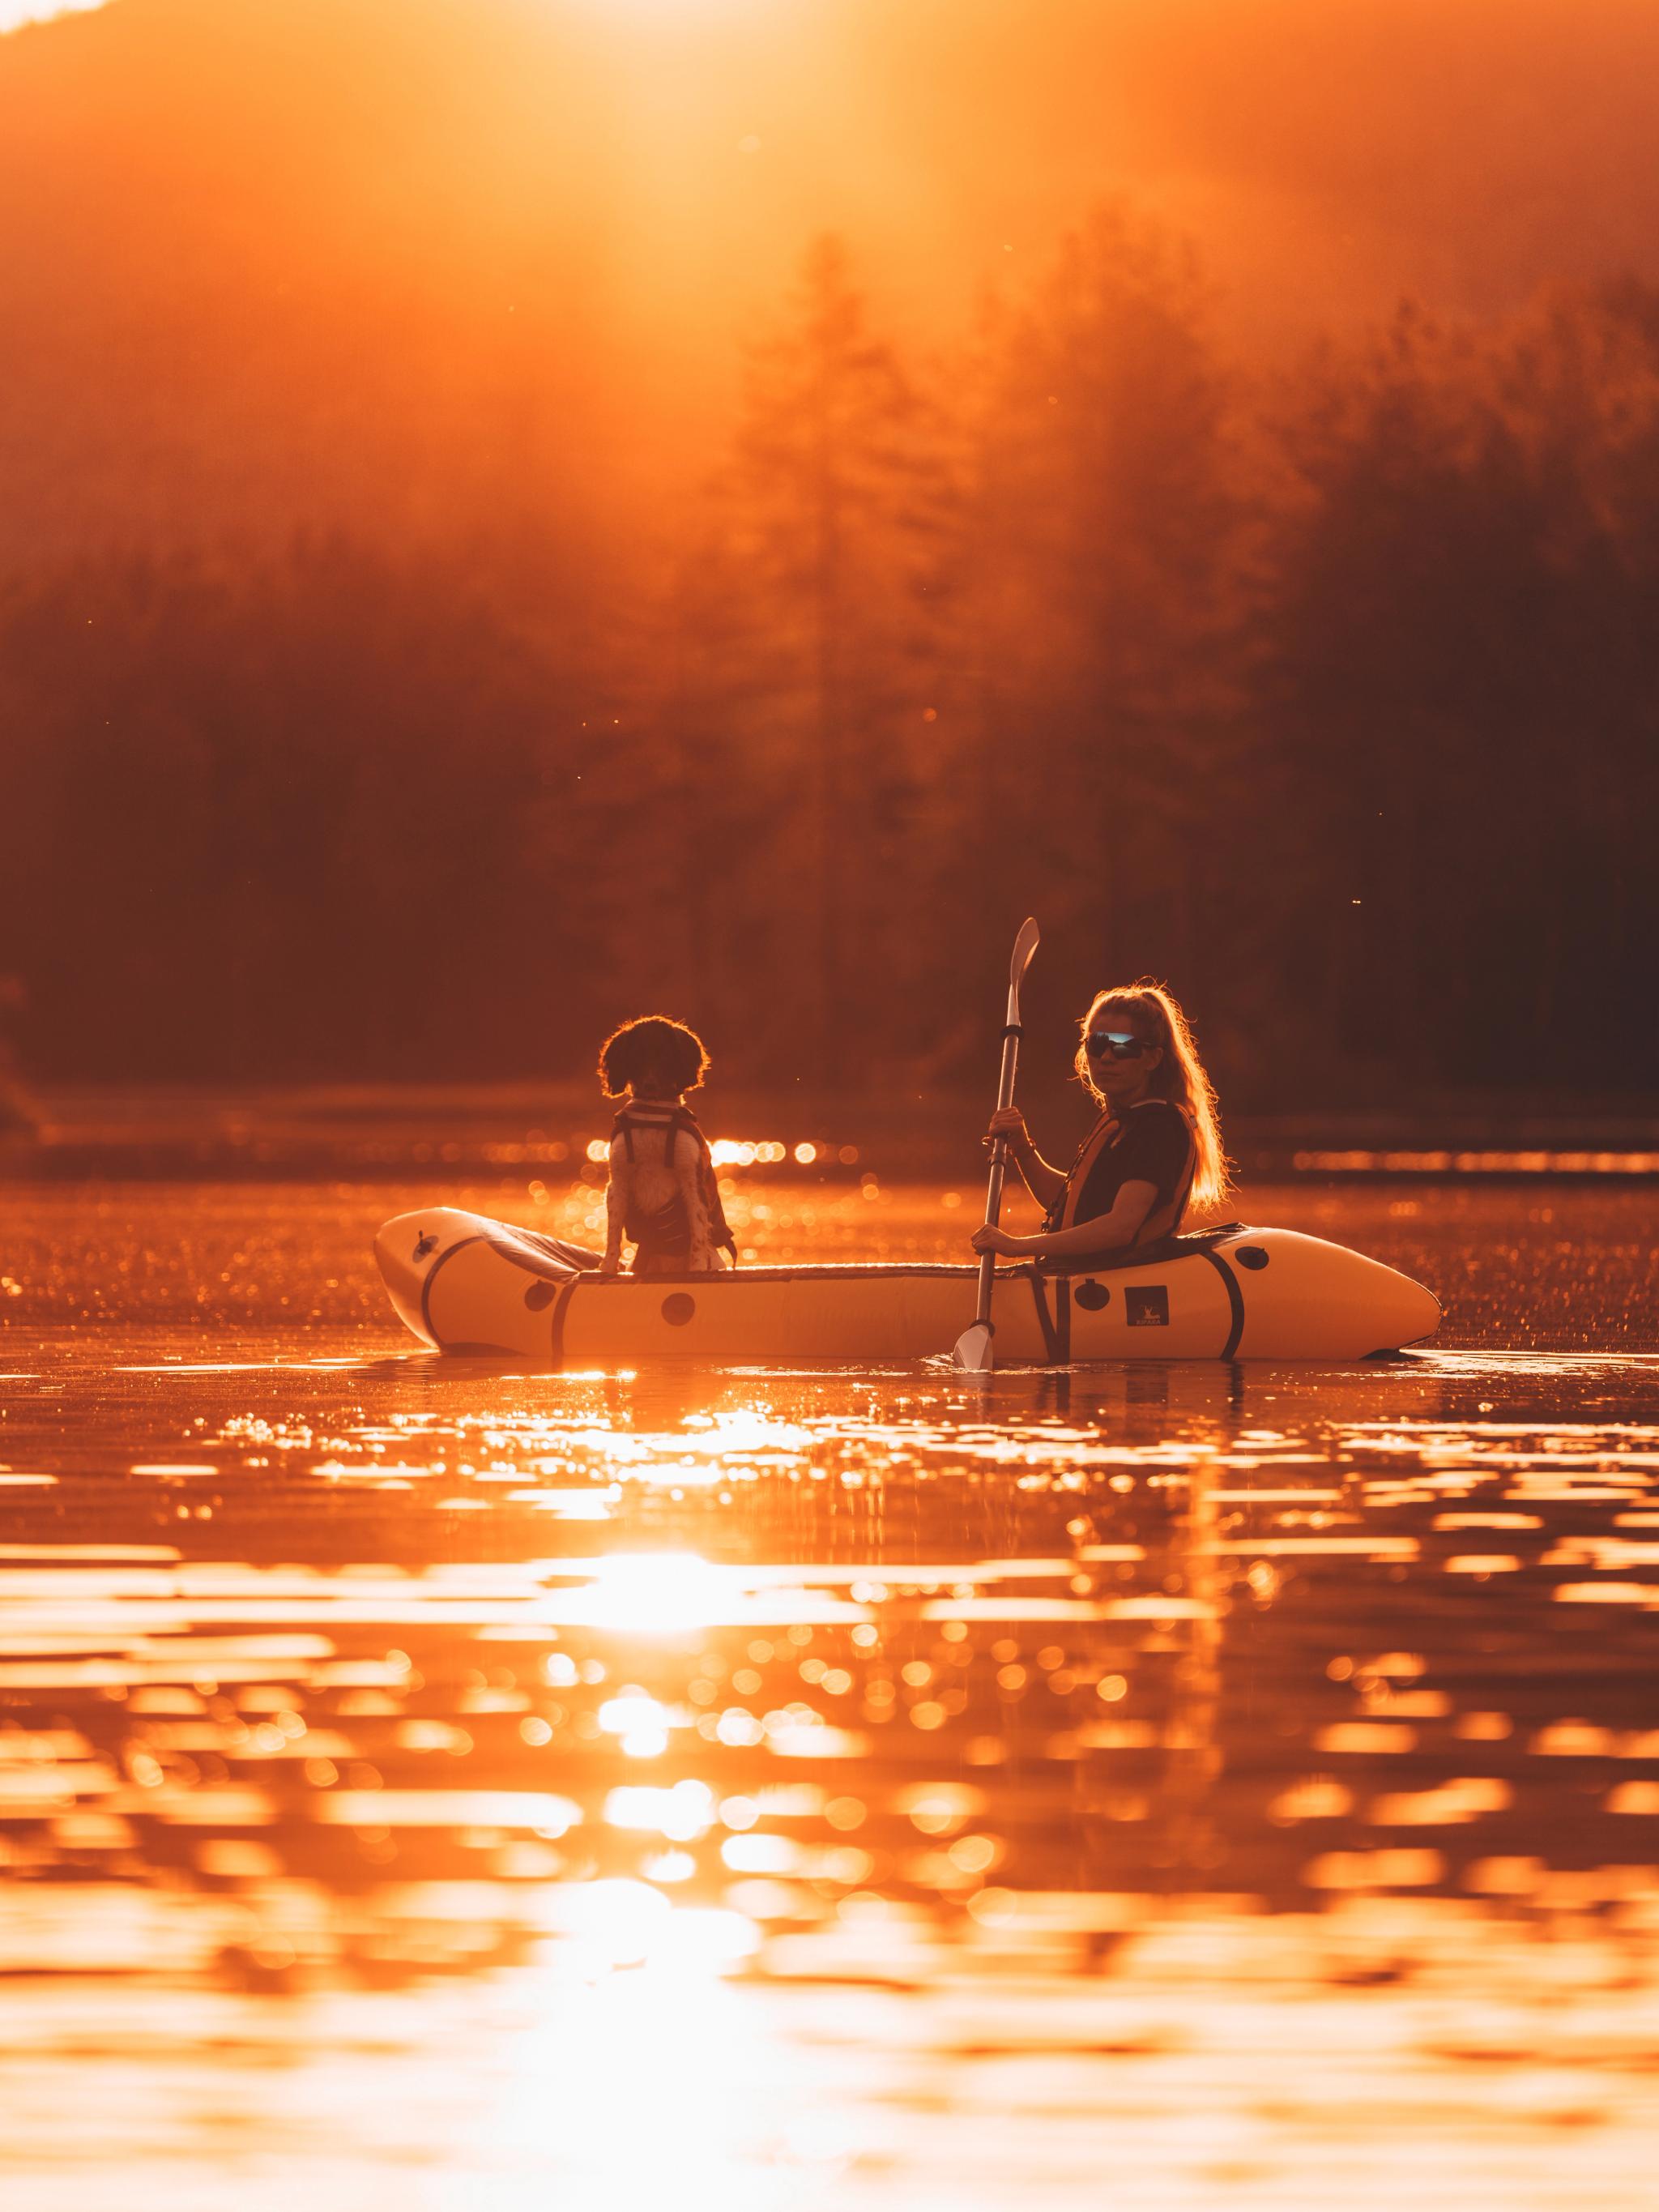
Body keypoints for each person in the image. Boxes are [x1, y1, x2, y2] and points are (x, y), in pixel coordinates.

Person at [970, 981, 1229, 1268]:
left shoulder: (1162, 1127)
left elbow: (1120, 1227)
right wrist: (1021, 1147)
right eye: (1097, 1044)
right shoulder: (1121, 1121)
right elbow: (1067, 1203)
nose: (1106, 1057)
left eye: (1123, 1046)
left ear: (1153, 1058)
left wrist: (1016, 1246)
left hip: (1120, 1279)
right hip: (1080, 1276)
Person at [597, 1015, 737, 1276]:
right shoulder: (627, 1131)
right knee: (618, 1187)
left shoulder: (680, 1132)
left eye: (661, 1062)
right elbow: (617, 1191)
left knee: (690, 1187)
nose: (651, 1077)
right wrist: (610, 1264)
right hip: (648, 1258)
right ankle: (610, 1260)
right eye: (641, 1062)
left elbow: (696, 1196)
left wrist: (698, 1268)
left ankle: (699, 1262)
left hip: (699, 1260)